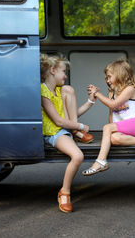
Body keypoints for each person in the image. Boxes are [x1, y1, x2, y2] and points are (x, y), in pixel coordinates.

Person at [82, 59, 135, 176]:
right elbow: (112, 116)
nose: (107, 80)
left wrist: (97, 94)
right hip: (127, 128)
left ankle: (100, 161)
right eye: (106, 77)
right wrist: (112, 120)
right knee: (114, 138)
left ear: (120, 75)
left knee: (107, 128)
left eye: (109, 76)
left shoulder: (129, 89)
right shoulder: (111, 93)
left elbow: (113, 105)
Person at [40, 53, 95, 212]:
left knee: (68, 89)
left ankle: (75, 131)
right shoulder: (44, 92)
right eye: (63, 72)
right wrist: (80, 126)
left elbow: (72, 115)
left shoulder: (59, 91)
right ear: (52, 71)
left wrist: (90, 101)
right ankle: (64, 192)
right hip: (55, 132)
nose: (65, 75)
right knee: (78, 156)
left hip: (66, 128)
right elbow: (58, 121)